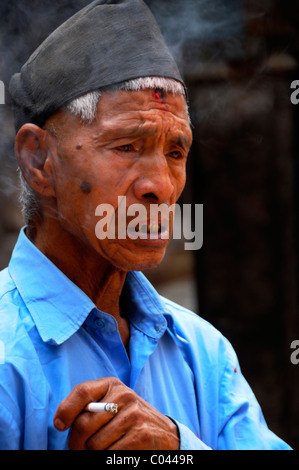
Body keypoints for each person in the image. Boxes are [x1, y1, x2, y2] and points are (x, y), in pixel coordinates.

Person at [0, 0, 292, 450]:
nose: (160, 186)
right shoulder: (6, 355)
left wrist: (177, 448)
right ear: (39, 161)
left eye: (175, 153)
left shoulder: (202, 352)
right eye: (127, 146)